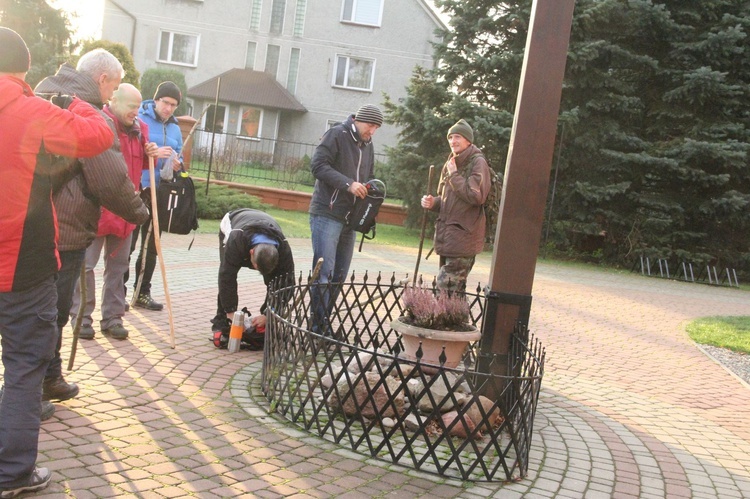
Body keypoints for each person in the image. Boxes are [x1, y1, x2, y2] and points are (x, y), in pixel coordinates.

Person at [0, 27, 114, 497]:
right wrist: (74, 103)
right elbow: (99, 135)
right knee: (25, 367)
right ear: (26, 69)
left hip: (21, 261)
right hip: (22, 264)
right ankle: (10, 475)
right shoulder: (33, 111)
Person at [34, 49, 149, 401]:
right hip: (64, 229)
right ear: (101, 80)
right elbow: (110, 179)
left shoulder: (41, 94)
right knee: (51, 311)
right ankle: (34, 388)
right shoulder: (86, 114)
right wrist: (140, 214)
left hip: (29, 221)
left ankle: (49, 377)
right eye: (112, 87)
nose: (111, 96)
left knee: (37, 307)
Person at [70, 84, 163, 341]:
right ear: (115, 102)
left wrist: (150, 154)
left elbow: (139, 162)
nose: (137, 112)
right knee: (86, 265)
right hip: (97, 209)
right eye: (132, 106)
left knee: (118, 266)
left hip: (125, 209)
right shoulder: (100, 123)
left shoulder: (140, 130)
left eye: (138, 106)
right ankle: (81, 317)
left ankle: (112, 318)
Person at [308, 104, 383, 334]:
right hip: (327, 214)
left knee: (338, 276)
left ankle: (323, 325)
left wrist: (369, 192)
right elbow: (318, 166)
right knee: (324, 273)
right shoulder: (337, 135)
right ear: (359, 121)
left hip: (350, 220)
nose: (373, 131)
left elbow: (367, 176)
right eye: (370, 125)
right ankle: (318, 328)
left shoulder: (368, 145)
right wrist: (348, 184)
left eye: (376, 128)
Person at [129, 81, 184, 311]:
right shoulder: (139, 118)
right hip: (138, 188)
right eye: (166, 102)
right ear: (156, 100)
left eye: (174, 105)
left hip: (161, 191)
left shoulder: (175, 128)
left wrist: (177, 163)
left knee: (152, 244)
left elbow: (180, 156)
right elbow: (131, 148)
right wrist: (150, 152)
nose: (169, 108)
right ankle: (118, 292)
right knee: (128, 244)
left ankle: (142, 291)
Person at [420, 119, 491, 294]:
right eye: (450, 137)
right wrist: (433, 202)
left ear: (468, 140)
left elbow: (476, 196)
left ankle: (445, 321)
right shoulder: (451, 163)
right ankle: (457, 320)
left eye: (457, 137)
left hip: (463, 240)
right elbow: (447, 199)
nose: (453, 141)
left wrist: (453, 175)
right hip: (448, 238)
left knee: (444, 293)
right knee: (453, 295)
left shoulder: (478, 163)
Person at [211, 208, 295, 334]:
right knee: (228, 271)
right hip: (233, 221)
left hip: (262, 222)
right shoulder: (236, 240)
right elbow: (226, 276)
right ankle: (222, 317)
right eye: (256, 266)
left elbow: (286, 283)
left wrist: (268, 314)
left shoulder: (283, 249)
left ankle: (267, 315)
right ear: (251, 253)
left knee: (274, 279)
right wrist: (231, 312)